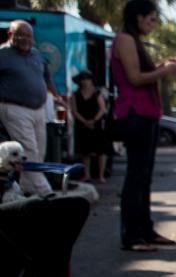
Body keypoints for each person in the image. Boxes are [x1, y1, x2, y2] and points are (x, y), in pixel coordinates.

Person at [114, 0, 176, 252]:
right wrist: (163, 71)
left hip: (147, 112)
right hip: (134, 113)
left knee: (144, 175)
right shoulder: (125, 39)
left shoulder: (134, 41)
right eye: (151, 19)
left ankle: (144, 230)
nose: (153, 24)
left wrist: (162, 66)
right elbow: (134, 77)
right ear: (138, 17)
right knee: (136, 175)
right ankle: (131, 235)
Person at [0, 20, 59, 196]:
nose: (26, 39)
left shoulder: (36, 55)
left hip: (38, 109)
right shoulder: (2, 54)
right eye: (21, 34)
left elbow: (47, 79)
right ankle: (45, 192)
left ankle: (27, 189)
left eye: (29, 36)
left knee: (39, 151)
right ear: (11, 35)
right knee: (29, 150)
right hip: (13, 107)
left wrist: (57, 98)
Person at [69, 71, 109, 183]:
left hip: (96, 124)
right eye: (82, 79)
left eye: (87, 78)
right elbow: (75, 111)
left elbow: (102, 109)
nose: (84, 81)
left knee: (100, 150)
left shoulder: (97, 93)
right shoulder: (75, 94)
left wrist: (94, 120)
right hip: (82, 124)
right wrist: (85, 121)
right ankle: (87, 174)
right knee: (85, 151)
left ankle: (101, 175)